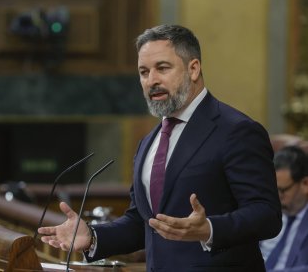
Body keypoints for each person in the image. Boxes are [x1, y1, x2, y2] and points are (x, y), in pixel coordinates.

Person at [38, 24, 282, 271]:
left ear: (193, 68)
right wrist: (92, 237)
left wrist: (208, 229)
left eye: (162, 68)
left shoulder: (236, 130)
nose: (151, 80)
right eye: (144, 72)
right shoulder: (149, 141)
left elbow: (266, 215)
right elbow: (142, 223)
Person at [260, 145, 308, 271]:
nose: (276, 197)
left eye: (282, 190)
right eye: (273, 190)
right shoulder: (266, 212)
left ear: (305, 184)